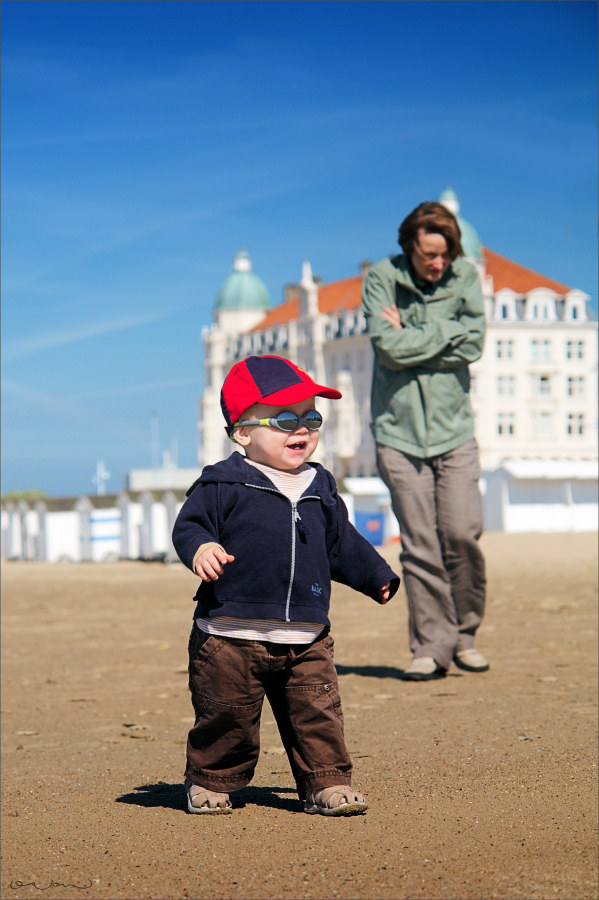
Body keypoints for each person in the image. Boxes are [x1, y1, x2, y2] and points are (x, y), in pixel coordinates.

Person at [172, 354, 400, 815]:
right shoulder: (223, 483)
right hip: (229, 635)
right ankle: (212, 780)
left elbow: (342, 543)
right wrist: (199, 549)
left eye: (311, 417)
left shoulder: (320, 485)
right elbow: (189, 527)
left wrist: (375, 575)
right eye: (284, 419)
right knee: (226, 716)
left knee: (317, 714)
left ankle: (326, 782)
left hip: (306, 635)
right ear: (242, 432)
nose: (303, 429)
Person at [361, 201, 489, 682]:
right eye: (428, 255)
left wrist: (412, 331)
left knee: (460, 535)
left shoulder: (464, 278)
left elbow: (474, 342)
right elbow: (387, 350)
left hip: (455, 431)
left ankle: (466, 635)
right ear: (408, 248)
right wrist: (444, 333)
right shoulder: (381, 277)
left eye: (445, 254)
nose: (438, 264)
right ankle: (432, 648)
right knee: (419, 545)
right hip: (398, 434)